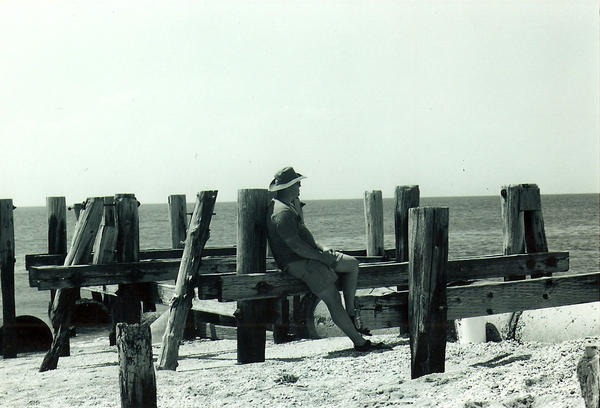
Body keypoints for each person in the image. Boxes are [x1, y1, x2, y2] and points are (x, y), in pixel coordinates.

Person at [266, 166, 389, 352]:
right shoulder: (282, 213)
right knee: (333, 300)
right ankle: (359, 342)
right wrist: (321, 258)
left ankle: (351, 312)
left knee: (352, 264)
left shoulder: (288, 206)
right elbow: (296, 247)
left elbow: (304, 237)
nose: (300, 186)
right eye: (297, 183)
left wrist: (323, 249)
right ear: (288, 187)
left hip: (310, 257)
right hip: (300, 263)